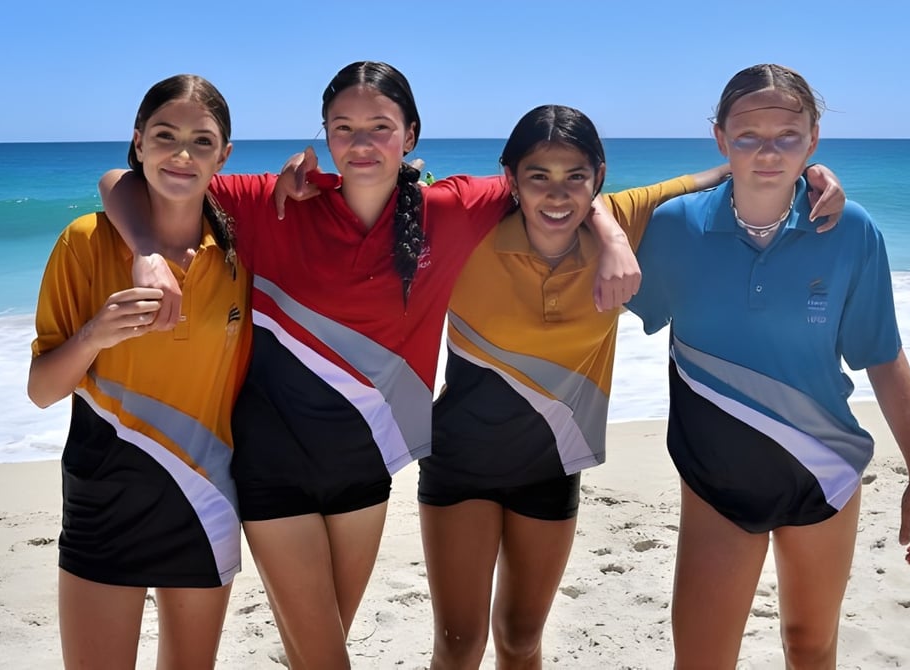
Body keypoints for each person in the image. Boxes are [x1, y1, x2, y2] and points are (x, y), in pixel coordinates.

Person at [98, 62, 640, 670]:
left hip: (366, 470)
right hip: (271, 464)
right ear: (324, 135)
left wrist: (612, 236)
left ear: (409, 135)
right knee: (328, 659)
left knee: (321, 652)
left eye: (379, 127)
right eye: (343, 127)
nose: (361, 144)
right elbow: (126, 177)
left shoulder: (450, 210)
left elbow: (557, 188)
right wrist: (146, 253)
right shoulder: (272, 204)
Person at [417, 105, 846, 669]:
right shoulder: (471, 236)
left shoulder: (629, 215)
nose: (556, 194)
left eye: (576, 176)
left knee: (521, 639)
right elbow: (384, 202)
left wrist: (815, 174)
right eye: (537, 176)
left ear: (599, 176)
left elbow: (728, 177)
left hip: (552, 465)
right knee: (458, 645)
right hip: (459, 463)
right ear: (511, 179)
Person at [625, 64, 910, 669]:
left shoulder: (850, 230)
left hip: (826, 473)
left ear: (814, 139)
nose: (767, 152)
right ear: (719, 138)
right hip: (716, 482)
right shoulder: (675, 227)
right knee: (700, 658)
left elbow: (882, 354)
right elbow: (579, 237)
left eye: (788, 137)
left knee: (811, 646)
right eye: (747, 135)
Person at [28, 74, 249, 669]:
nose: (182, 155)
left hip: (205, 499)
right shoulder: (84, 243)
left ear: (224, 156)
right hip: (103, 497)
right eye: (165, 136)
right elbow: (42, 390)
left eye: (202, 141)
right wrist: (95, 335)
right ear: (138, 142)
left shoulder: (239, 252)